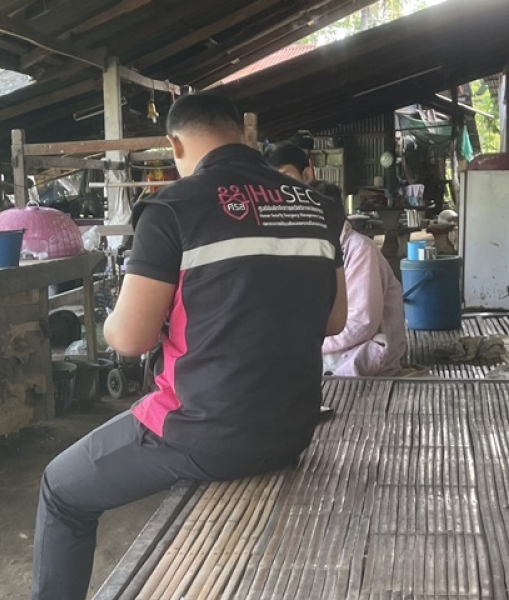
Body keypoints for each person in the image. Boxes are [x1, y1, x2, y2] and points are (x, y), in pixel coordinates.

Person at [30, 93, 347, 600]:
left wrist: (121, 320)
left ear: (174, 145)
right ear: (244, 134)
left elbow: (130, 339)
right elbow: (334, 320)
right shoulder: (318, 207)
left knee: (60, 489)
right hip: (293, 427)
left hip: (205, 432)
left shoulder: (172, 209)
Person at [264, 141, 407, 376]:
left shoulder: (359, 249)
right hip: (325, 345)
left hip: (363, 348)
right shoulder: (303, 247)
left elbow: (362, 323)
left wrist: (304, 344)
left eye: (285, 177)